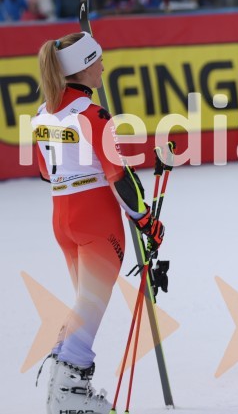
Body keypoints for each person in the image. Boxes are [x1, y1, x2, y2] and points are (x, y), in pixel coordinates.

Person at [33, 32, 165, 414]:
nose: (103, 66)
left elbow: (45, 171)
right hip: (95, 219)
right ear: (84, 66)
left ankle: (67, 388)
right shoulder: (93, 115)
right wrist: (145, 220)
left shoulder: (42, 114)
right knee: (90, 308)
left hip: (62, 219)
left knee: (83, 305)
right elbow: (119, 177)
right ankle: (68, 394)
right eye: (98, 60)